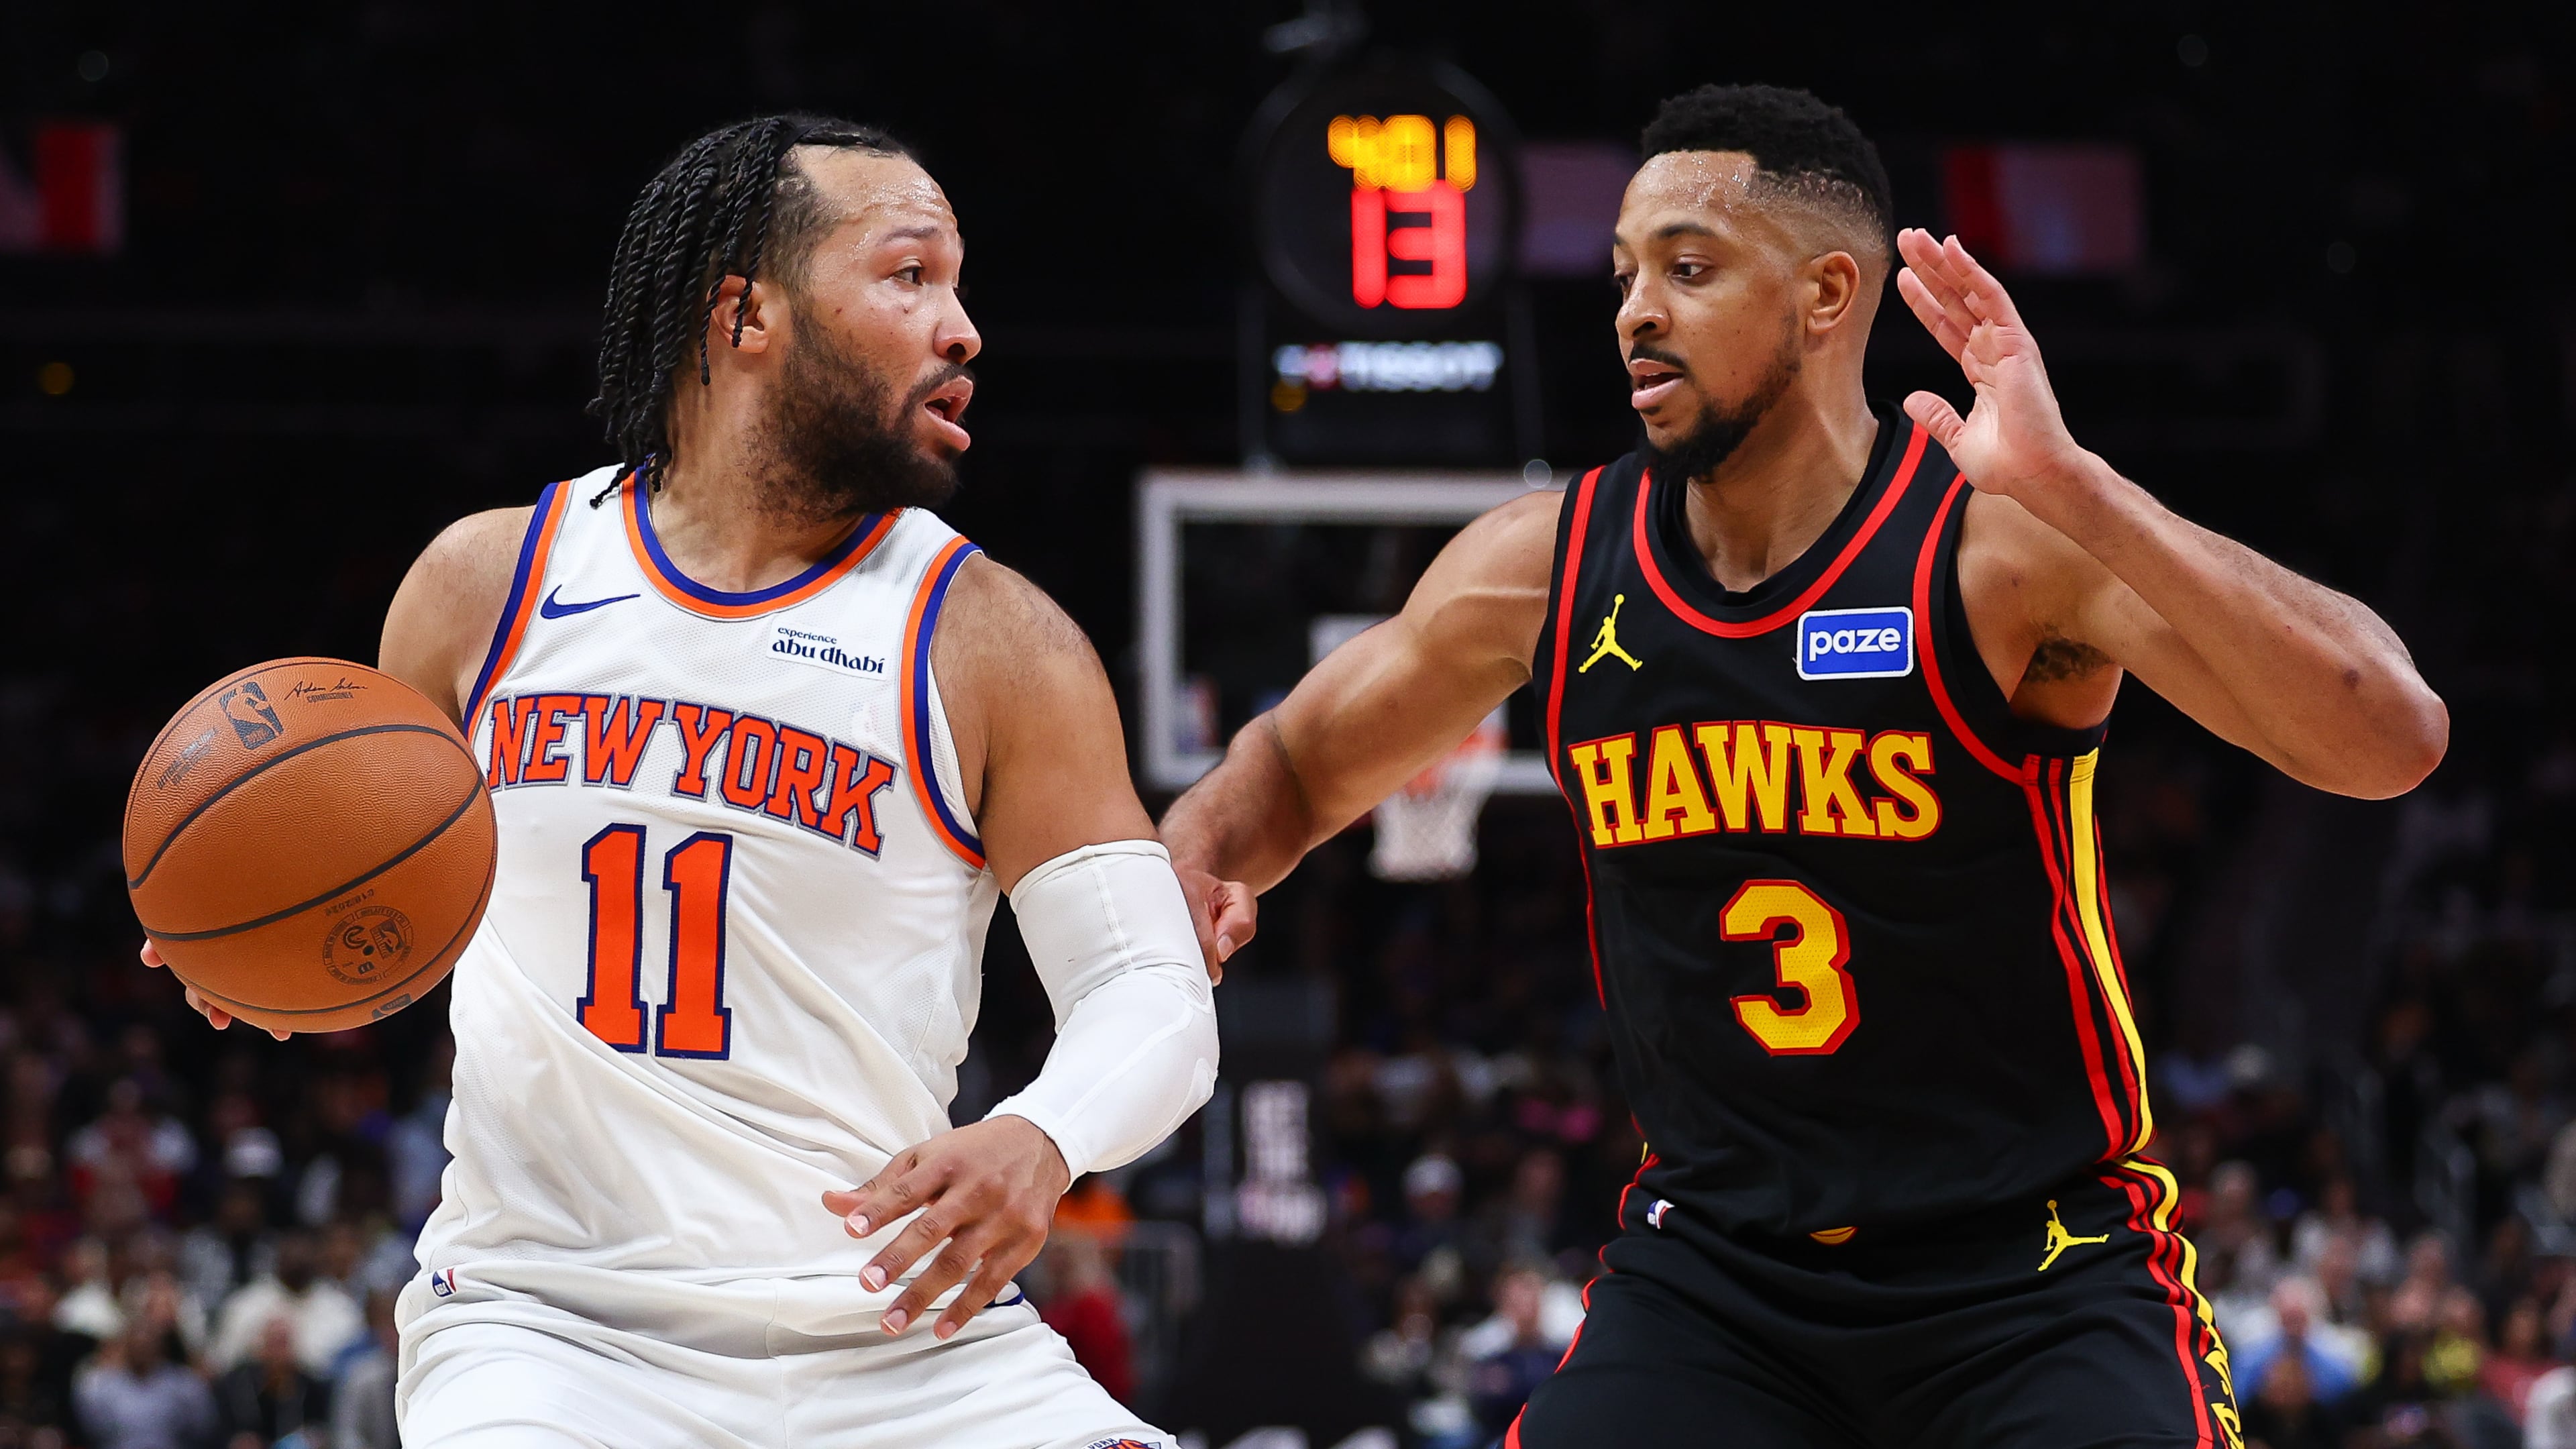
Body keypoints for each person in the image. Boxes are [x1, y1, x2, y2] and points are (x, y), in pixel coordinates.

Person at [1163, 83, 2447, 1446]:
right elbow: (1289, 771)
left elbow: (2387, 740)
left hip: (2032, 1273)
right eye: (1624, 274)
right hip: (1717, 1279)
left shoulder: (1998, 550)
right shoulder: (1547, 568)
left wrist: (2078, 489)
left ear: (1829, 295)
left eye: (1690, 268)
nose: (1635, 311)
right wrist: (1186, 867)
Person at [144, 113, 1218, 1447]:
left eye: (957, 286)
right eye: (908, 276)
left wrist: (1041, 1134)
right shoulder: (488, 587)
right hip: (553, 1330)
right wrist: (274, 937)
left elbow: (1153, 994)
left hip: (905, 1346)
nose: (962, 330)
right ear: (744, 313)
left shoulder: (995, 642)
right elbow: (391, 911)